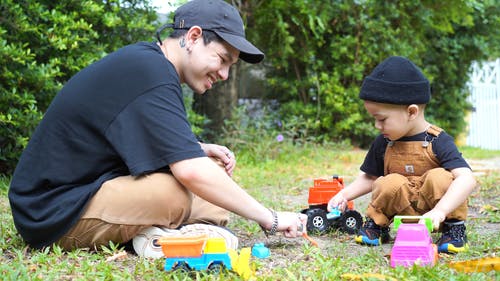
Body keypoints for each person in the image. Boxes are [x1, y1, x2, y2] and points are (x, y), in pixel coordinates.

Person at [8, 0, 307, 258]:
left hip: (92, 186)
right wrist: (271, 218)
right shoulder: (150, 71)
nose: (225, 74)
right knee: (174, 195)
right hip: (51, 212)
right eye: (222, 59)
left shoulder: (150, 64)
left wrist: (198, 149)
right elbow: (189, 172)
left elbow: (126, 136)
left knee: (212, 172)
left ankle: (166, 230)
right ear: (193, 36)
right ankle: (158, 234)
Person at [327, 56, 476, 254]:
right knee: (386, 182)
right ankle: (377, 225)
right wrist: (343, 195)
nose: (377, 126)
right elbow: (369, 177)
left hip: (437, 211)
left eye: (381, 119)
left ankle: (454, 229)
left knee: (440, 177)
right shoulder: (384, 141)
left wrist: (440, 211)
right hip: (402, 207)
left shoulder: (438, 140)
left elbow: (467, 179)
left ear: (411, 112)